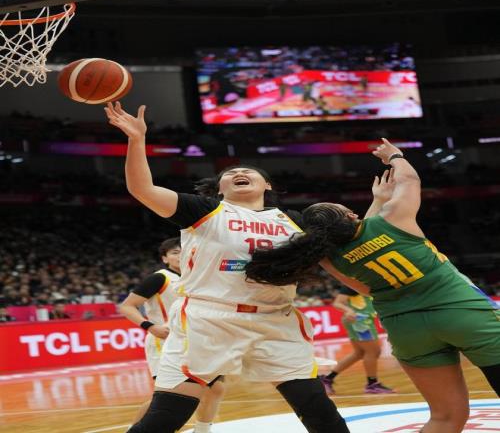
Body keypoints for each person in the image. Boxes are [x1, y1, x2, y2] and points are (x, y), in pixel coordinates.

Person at [105, 101, 350, 433]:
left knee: (320, 412)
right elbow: (142, 189)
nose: (237, 174)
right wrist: (137, 140)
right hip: (209, 320)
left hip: (274, 319)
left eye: (248, 172)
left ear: (267, 186)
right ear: (220, 189)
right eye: (229, 175)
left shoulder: (293, 221)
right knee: (165, 418)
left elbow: (339, 244)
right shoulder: (205, 210)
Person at [246, 138, 500, 433]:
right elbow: (409, 180)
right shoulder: (393, 218)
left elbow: (366, 281)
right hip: (461, 312)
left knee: (445, 418)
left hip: (407, 330)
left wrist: (378, 200)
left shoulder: (330, 258)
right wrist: (395, 156)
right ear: (350, 215)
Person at [119, 237, 225, 433]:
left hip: (197, 342)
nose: (180, 255)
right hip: (165, 341)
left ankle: (202, 430)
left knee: (215, 388)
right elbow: (127, 306)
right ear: (165, 258)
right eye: (175, 252)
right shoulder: (160, 278)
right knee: (164, 397)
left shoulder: (198, 276)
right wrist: (150, 326)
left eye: (184, 251)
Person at [319, 286, 394, 395]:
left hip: (363, 320)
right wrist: (349, 310)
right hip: (359, 321)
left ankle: (327, 379)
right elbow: (337, 303)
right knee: (374, 351)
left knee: (359, 353)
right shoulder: (353, 284)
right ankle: (372, 384)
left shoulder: (366, 283)